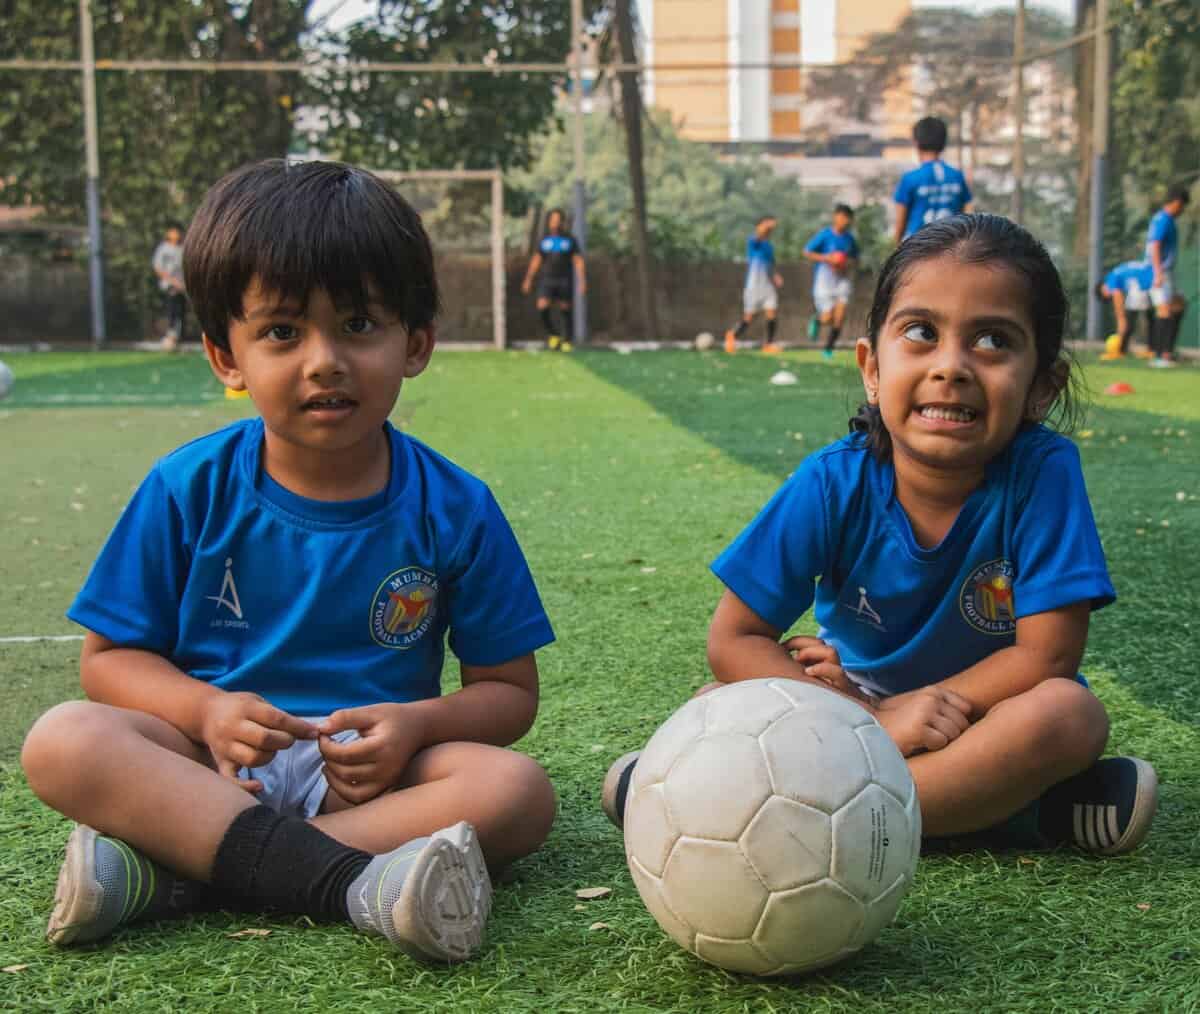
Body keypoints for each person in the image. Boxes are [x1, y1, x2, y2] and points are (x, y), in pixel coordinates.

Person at [21, 160, 557, 963]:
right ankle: (345, 882)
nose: (323, 360)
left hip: (375, 783)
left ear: (416, 344)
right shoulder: (186, 487)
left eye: (358, 325)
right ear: (224, 357)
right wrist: (205, 712)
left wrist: (415, 725)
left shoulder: (457, 506)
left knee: (518, 793)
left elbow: (508, 693)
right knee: (63, 740)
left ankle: (183, 873)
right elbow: (109, 663)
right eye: (282, 332)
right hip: (208, 768)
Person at [604, 214, 1157, 857]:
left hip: (985, 714)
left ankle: (759, 807)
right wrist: (873, 720)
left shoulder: (1043, 472)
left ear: (1041, 387)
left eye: (993, 341)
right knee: (720, 699)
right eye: (921, 332)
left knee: (1069, 716)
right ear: (871, 365)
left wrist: (921, 709)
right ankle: (1020, 811)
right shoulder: (833, 481)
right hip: (850, 709)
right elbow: (734, 638)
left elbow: (1048, 658)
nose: (951, 366)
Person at [893, 117, 973, 245]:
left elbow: (900, 223)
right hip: (950, 246)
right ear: (943, 143)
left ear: (916, 142)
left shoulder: (910, 179)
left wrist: (896, 248)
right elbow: (967, 215)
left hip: (916, 248)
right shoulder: (957, 176)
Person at [521, 208, 585, 351]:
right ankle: (554, 335)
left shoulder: (570, 240)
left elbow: (578, 260)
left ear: (562, 222)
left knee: (565, 309)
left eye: (558, 220)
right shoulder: (544, 240)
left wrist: (582, 280)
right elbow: (537, 259)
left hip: (564, 280)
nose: (555, 223)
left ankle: (567, 340)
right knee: (542, 307)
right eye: (552, 220)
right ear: (549, 222)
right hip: (547, 279)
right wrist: (528, 279)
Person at [804, 204, 860, 361]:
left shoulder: (850, 239)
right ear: (835, 217)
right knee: (828, 318)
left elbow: (856, 259)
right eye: (841, 217)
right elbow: (807, 252)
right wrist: (828, 258)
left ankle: (828, 349)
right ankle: (817, 319)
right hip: (824, 279)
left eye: (847, 218)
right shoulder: (825, 235)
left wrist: (845, 262)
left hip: (843, 279)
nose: (844, 221)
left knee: (840, 316)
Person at [724, 215, 785, 354]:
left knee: (772, 313)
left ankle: (768, 344)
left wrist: (775, 276)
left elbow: (771, 265)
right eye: (765, 225)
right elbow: (759, 234)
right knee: (749, 318)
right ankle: (732, 335)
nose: (769, 228)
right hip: (753, 286)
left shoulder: (769, 246)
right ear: (759, 226)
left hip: (767, 286)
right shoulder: (753, 241)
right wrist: (765, 226)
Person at [1145, 185, 1191, 367]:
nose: (1183, 210)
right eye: (1183, 206)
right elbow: (1155, 245)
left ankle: (1166, 352)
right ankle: (1159, 356)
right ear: (1177, 202)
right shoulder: (1163, 219)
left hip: (1165, 270)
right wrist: (1157, 273)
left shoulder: (1166, 219)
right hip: (1160, 271)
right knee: (1164, 310)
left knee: (1178, 306)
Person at [1094, 260, 1154, 360]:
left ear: (1102, 288)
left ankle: (1120, 351)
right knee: (1150, 315)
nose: (1109, 297)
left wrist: (1120, 319)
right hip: (1151, 274)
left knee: (1129, 318)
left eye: (1106, 296)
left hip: (1141, 282)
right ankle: (1153, 349)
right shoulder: (1117, 273)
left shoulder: (1111, 279)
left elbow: (1118, 301)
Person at [152, 221, 187, 350]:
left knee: (180, 312)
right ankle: (170, 338)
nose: (175, 234)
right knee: (172, 311)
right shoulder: (163, 248)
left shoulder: (183, 248)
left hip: (183, 287)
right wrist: (172, 282)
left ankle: (178, 339)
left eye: (177, 231)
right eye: (173, 231)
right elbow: (158, 268)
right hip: (169, 286)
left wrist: (183, 284)